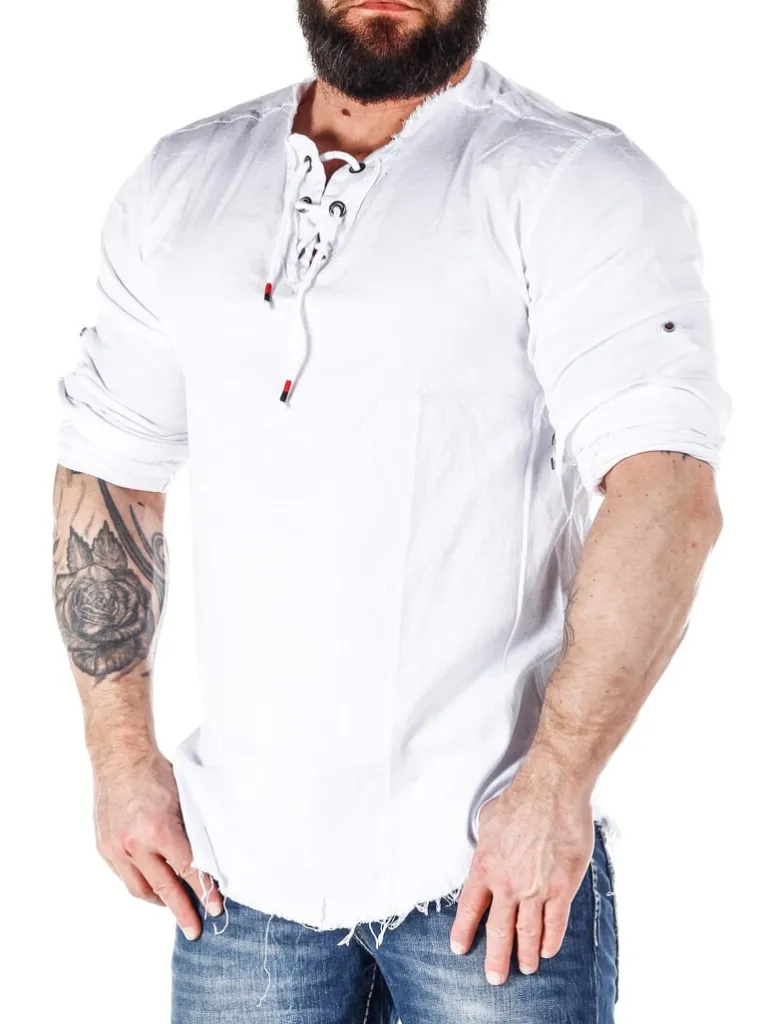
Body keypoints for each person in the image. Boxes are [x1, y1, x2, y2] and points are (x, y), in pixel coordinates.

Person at [52, 1, 731, 1020]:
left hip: (489, 868)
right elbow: (110, 468)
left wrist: (555, 785)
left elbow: (665, 490)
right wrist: (119, 757)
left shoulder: (572, 180)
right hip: (235, 874)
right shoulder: (183, 182)